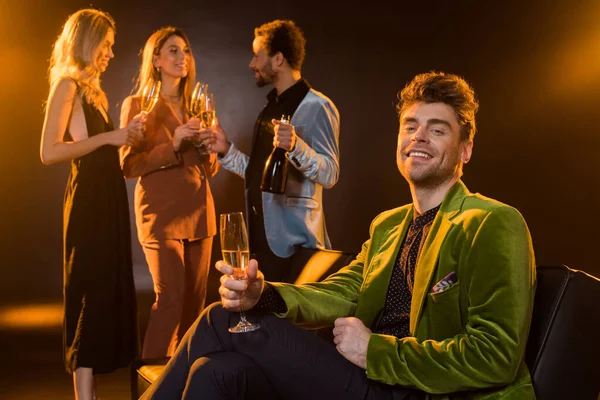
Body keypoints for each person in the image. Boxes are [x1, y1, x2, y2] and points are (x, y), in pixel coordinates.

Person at [142, 72, 537, 400]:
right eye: (411, 126)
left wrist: (375, 351)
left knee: (216, 319)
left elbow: (495, 355)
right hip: (367, 380)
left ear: (465, 150)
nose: (419, 137)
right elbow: (339, 293)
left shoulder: (493, 222)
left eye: (437, 130)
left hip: (421, 392)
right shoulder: (389, 225)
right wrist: (261, 295)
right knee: (216, 371)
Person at [39, 8, 144, 400]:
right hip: (88, 204)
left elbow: (102, 150)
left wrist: (128, 138)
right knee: (89, 297)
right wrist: (111, 137)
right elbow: (49, 152)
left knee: (102, 298)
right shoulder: (65, 84)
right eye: (106, 45)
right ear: (87, 40)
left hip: (107, 200)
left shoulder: (91, 90)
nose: (110, 53)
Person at [199, 19, 340, 282]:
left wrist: (297, 146)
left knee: (292, 322)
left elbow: (330, 174)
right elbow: (260, 175)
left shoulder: (319, 106)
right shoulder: (269, 110)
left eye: (256, 55)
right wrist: (225, 149)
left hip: (297, 245)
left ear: (277, 59)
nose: (252, 64)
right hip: (261, 242)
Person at [119, 26, 219, 359]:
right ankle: (152, 388)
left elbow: (211, 168)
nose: (182, 57)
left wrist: (211, 150)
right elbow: (129, 165)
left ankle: (186, 382)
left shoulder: (199, 104)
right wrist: (173, 143)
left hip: (199, 213)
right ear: (156, 60)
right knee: (170, 300)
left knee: (195, 304)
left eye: (186, 51)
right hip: (160, 214)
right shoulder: (138, 105)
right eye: (173, 50)